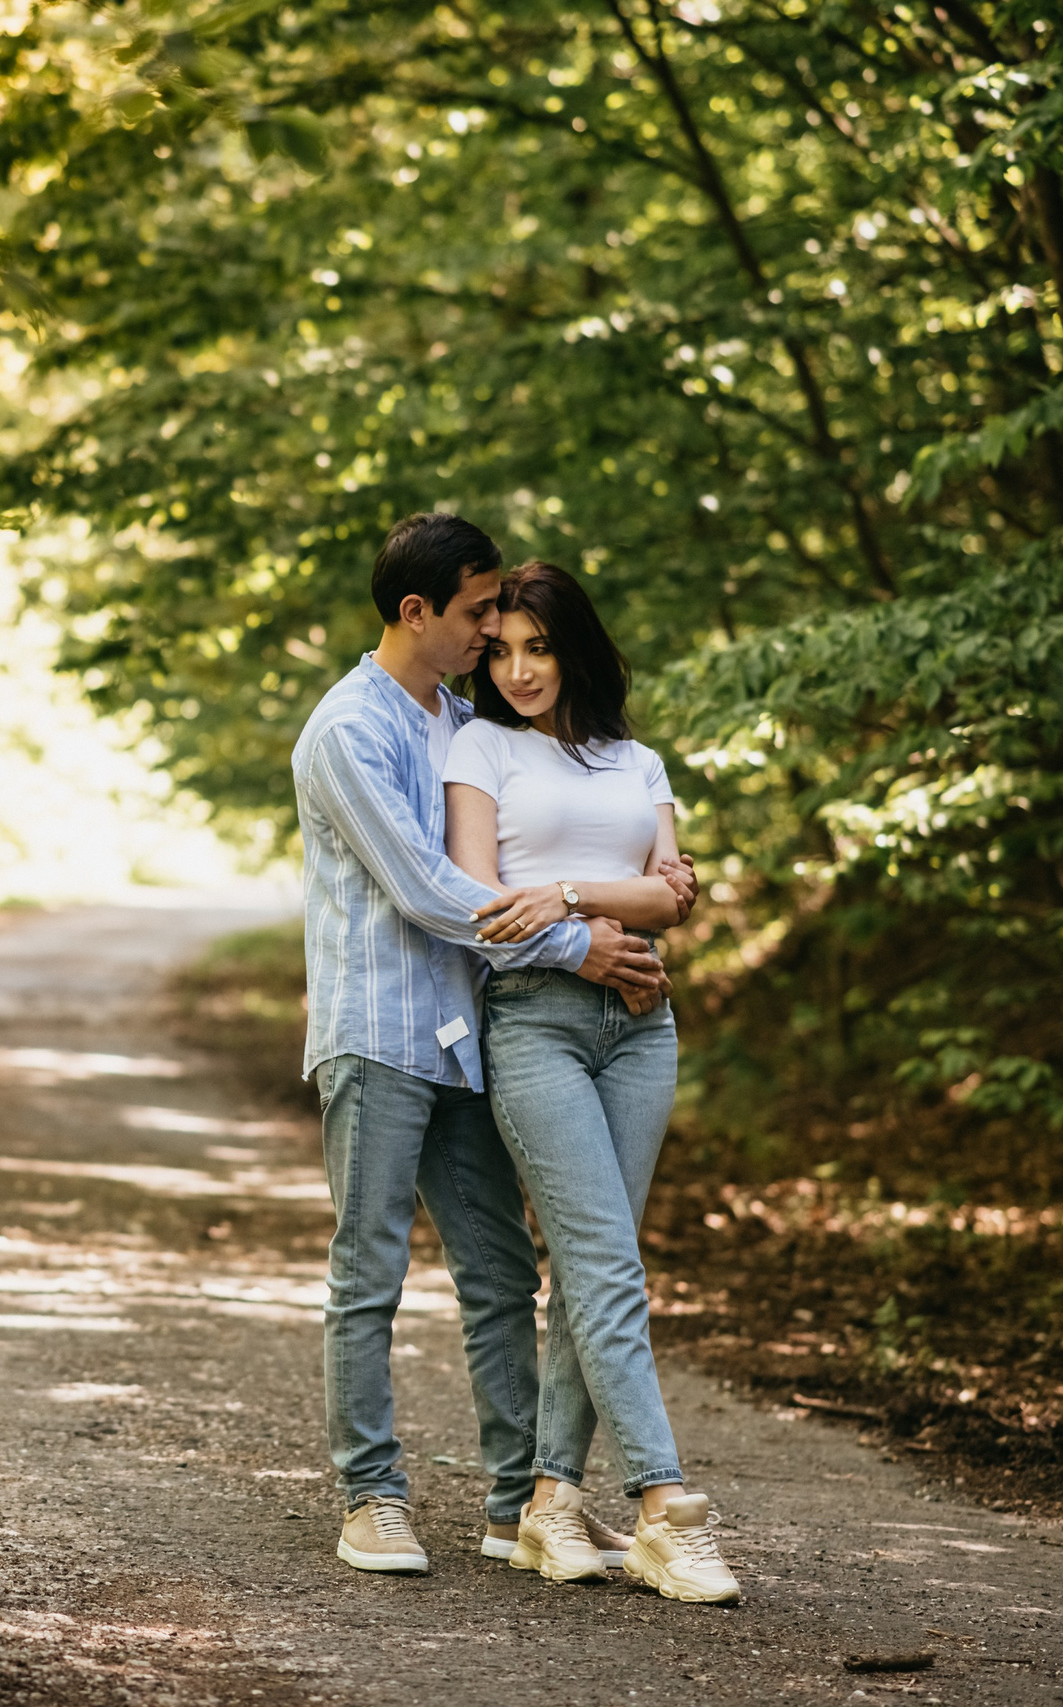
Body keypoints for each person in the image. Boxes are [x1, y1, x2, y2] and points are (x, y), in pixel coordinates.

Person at [289, 513, 679, 1576]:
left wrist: (642, 887)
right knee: (367, 1271)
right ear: (416, 613)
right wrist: (580, 943)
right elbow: (426, 889)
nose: (490, 632)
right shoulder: (346, 731)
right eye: (474, 615)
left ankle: (516, 1506)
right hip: (376, 1036)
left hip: (466, 1036)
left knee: (502, 1276)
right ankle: (369, 1498)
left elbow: (513, 850)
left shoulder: (457, 721)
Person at [441, 560, 742, 1605]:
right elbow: (483, 902)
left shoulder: (636, 759)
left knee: (590, 1267)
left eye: (539, 647)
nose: (519, 670)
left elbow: (672, 899)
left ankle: (552, 1500)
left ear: (574, 648)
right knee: (607, 1262)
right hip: (532, 1026)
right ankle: (665, 1507)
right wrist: (587, 925)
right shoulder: (478, 747)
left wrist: (563, 892)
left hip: (641, 1025)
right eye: (503, 650)